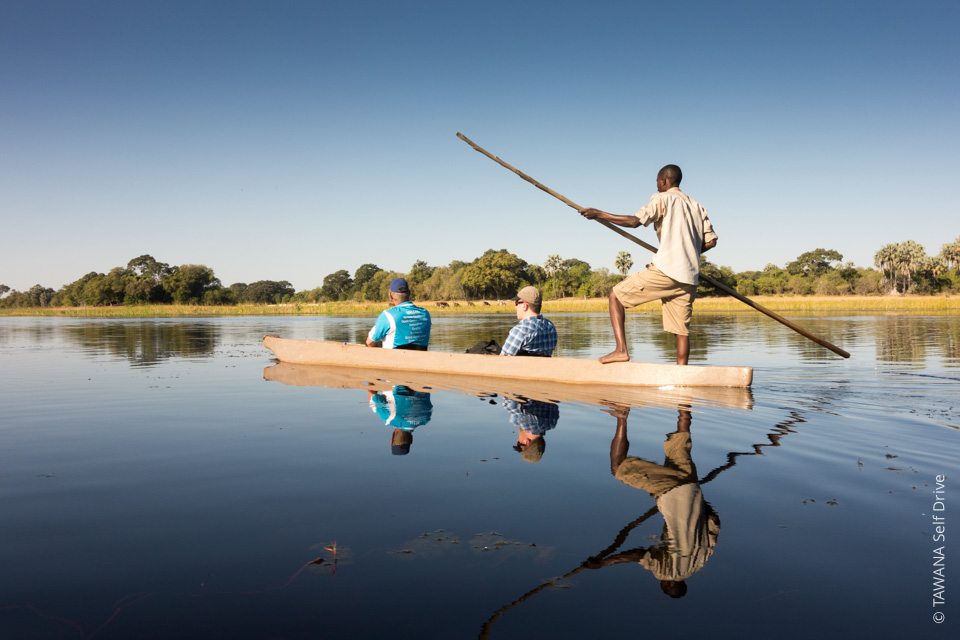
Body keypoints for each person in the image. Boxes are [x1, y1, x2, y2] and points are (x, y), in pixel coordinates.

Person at [579, 164, 717, 365]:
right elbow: (711, 242)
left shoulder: (662, 198)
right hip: (689, 277)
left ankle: (621, 350)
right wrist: (688, 250)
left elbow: (635, 221)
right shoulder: (697, 206)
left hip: (667, 270)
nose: (657, 185)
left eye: (657, 182)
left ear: (664, 181)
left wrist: (599, 214)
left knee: (615, 296)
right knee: (681, 331)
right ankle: (682, 373)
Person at [583, 404, 720, 598]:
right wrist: (605, 562)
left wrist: (696, 500)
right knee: (618, 468)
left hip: (693, 489)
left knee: (680, 444)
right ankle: (621, 415)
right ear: (666, 584)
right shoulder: (666, 573)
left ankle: (684, 405)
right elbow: (639, 554)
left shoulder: (701, 561)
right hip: (671, 490)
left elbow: (714, 520)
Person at [366, 278, 431, 350]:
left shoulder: (388, 315)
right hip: (420, 359)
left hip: (394, 360)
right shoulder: (425, 314)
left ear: (390, 295)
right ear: (409, 293)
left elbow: (370, 342)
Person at [367, 386, 433, 456]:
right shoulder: (389, 419)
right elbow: (371, 393)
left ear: (411, 438)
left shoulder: (426, 418)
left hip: (423, 383)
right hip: (395, 383)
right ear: (392, 439)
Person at [500, 286, 557, 357]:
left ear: (524, 306)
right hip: (543, 367)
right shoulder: (550, 327)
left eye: (517, 303)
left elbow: (502, 359)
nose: (516, 307)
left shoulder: (520, 331)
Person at [503, 397, 559, 463]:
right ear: (526, 442)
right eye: (518, 443)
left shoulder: (551, 423)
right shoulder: (525, 423)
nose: (518, 439)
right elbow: (509, 400)